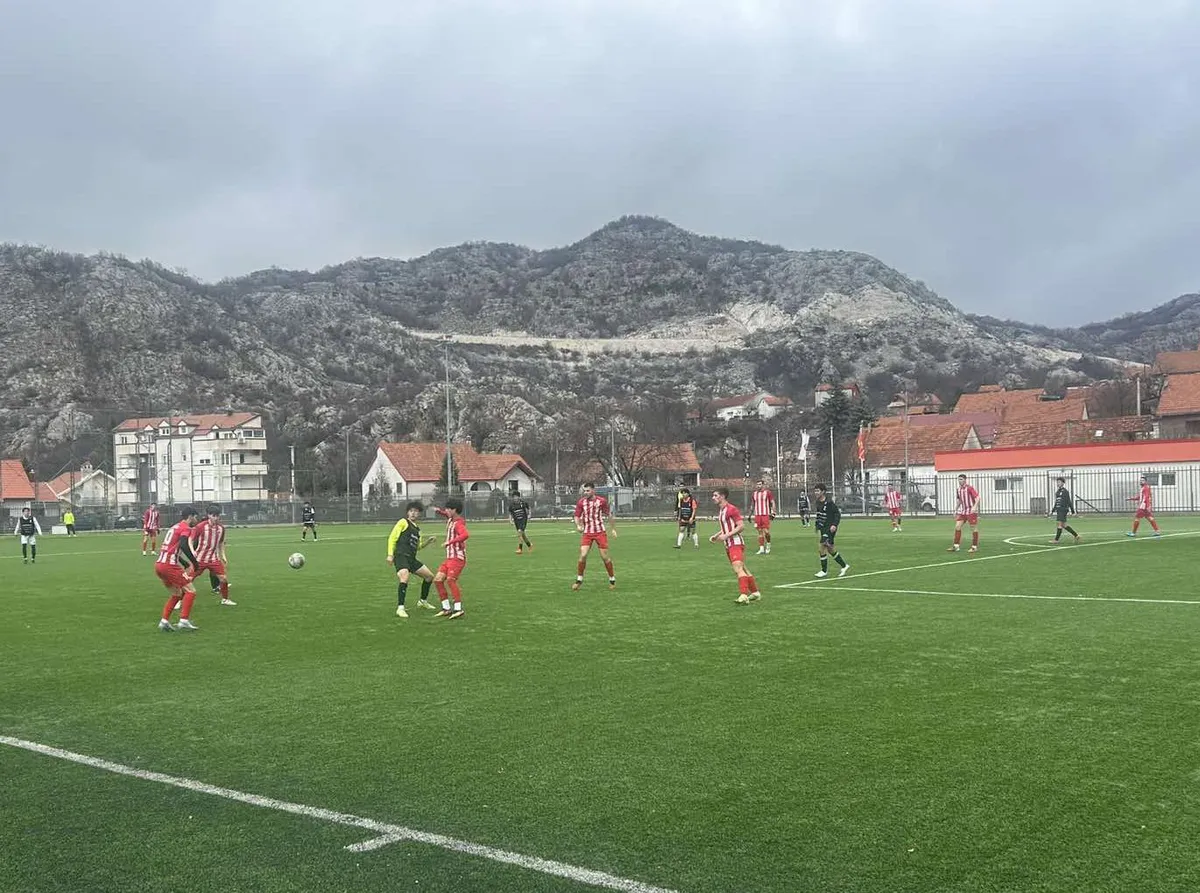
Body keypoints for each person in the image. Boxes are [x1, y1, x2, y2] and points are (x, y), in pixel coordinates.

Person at [709, 487, 762, 604]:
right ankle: (755, 593)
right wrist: (717, 535)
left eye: (715, 495)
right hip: (728, 544)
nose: (713, 498)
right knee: (742, 568)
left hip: (735, 543)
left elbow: (741, 526)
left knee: (738, 568)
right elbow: (727, 527)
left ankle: (743, 595)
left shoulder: (731, 509)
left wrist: (727, 535)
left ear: (722, 496)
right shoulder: (722, 510)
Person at [386, 501, 436, 618]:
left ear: (419, 514)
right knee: (404, 576)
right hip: (401, 556)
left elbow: (418, 547)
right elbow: (392, 538)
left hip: (412, 559)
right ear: (408, 512)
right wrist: (390, 554)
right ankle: (400, 608)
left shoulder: (418, 530)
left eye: (416, 512)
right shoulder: (403, 522)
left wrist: (428, 542)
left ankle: (422, 601)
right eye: (411, 511)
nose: (413, 513)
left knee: (429, 577)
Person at [157, 506, 200, 632]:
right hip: (169, 566)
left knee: (177, 594)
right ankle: (184, 621)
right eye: (195, 517)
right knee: (191, 591)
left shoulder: (175, 527)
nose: (196, 521)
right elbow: (183, 545)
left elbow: (171, 548)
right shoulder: (185, 528)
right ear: (190, 516)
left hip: (160, 564)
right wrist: (194, 562)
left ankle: (164, 621)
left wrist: (183, 562)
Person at [572, 482, 616, 591]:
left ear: (593, 491)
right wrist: (578, 525)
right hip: (587, 533)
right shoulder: (581, 502)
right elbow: (577, 515)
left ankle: (612, 579)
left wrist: (613, 529)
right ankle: (579, 580)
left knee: (604, 557)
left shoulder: (601, 501)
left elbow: (609, 514)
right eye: (584, 491)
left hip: (600, 532)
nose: (585, 493)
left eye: (588, 490)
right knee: (583, 555)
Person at [190, 504, 236, 605]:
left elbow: (221, 543)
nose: (216, 518)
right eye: (213, 515)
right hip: (200, 559)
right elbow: (190, 539)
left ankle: (225, 599)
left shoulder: (221, 528)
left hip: (213, 559)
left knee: (223, 578)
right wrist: (192, 552)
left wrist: (223, 555)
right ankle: (179, 600)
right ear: (209, 515)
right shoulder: (201, 526)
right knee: (188, 580)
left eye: (217, 516)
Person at [433, 498, 469, 619]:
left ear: (455, 510)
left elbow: (465, 535)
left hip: (457, 558)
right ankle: (446, 608)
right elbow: (445, 514)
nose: (446, 511)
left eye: (448, 509)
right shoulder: (450, 519)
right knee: (438, 580)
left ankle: (458, 609)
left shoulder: (458, 523)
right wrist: (439, 511)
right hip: (449, 558)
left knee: (450, 580)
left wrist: (450, 542)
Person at [813, 484, 850, 578]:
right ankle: (844, 566)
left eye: (818, 491)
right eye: (815, 491)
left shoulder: (829, 502)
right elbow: (819, 514)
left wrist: (834, 525)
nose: (816, 493)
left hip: (830, 528)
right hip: (823, 528)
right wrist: (817, 525)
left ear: (823, 491)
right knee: (830, 549)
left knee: (821, 547)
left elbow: (837, 513)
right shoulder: (817, 502)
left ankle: (824, 571)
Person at [948, 474, 980, 553]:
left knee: (973, 528)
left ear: (965, 480)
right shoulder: (958, 489)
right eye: (959, 479)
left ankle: (974, 547)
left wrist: (974, 507)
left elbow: (978, 498)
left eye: (961, 479)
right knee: (957, 526)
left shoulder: (969, 488)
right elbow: (959, 500)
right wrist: (955, 510)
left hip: (971, 511)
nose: (960, 481)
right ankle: (956, 546)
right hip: (963, 511)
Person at [1049, 477, 1081, 544]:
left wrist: (1072, 512)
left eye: (1059, 482)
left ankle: (1056, 540)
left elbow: (1069, 501)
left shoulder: (1065, 491)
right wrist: (1052, 511)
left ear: (1063, 483)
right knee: (1064, 525)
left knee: (1059, 524)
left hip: (1063, 509)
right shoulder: (1058, 492)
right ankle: (1076, 535)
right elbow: (1056, 502)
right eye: (1057, 482)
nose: (1058, 483)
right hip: (1059, 510)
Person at [751, 478, 776, 554]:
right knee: (759, 532)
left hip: (765, 514)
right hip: (757, 515)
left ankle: (768, 544)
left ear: (763, 485)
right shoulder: (754, 494)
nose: (758, 486)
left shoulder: (767, 493)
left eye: (760, 484)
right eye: (757, 484)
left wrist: (773, 512)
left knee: (766, 531)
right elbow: (753, 504)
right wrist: (750, 514)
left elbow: (772, 502)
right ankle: (761, 548)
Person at [509, 490, 533, 554]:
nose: (515, 498)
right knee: (523, 535)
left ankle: (520, 549)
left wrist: (529, 514)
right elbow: (510, 513)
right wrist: (510, 520)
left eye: (516, 496)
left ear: (519, 497)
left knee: (519, 533)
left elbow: (529, 508)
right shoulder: (511, 505)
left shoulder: (523, 503)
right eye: (514, 497)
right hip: (517, 522)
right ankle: (529, 545)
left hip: (523, 520)